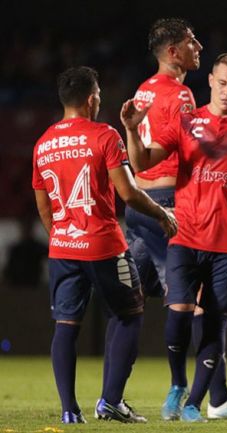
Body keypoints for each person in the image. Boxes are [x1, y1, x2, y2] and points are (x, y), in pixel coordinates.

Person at [121, 52, 227, 422]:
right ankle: (178, 384)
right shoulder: (186, 121)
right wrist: (130, 129)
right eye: (222, 83)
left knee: (214, 323)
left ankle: (194, 402)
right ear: (210, 80)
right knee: (177, 317)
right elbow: (142, 162)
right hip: (186, 236)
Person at [32, 66, 177, 424]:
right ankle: (111, 402)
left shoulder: (43, 143)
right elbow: (127, 192)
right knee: (130, 314)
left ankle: (69, 411)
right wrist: (161, 213)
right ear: (92, 98)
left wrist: (61, 236)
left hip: (63, 248)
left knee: (66, 325)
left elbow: (44, 204)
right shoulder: (104, 135)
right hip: (103, 245)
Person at [123, 18, 203, 421]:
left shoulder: (142, 91)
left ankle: (111, 395)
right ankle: (194, 393)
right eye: (191, 42)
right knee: (191, 301)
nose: (199, 46)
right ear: (173, 52)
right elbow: (190, 148)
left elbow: (139, 150)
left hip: (137, 203)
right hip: (170, 202)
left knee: (129, 303)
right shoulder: (182, 94)